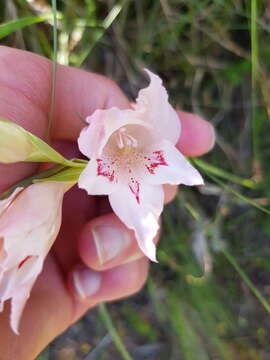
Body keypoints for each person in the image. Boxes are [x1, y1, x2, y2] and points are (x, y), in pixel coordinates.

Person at [0, 46, 215, 360]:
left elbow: (164, 171)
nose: (125, 145)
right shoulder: (95, 169)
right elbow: (93, 174)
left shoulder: (113, 170)